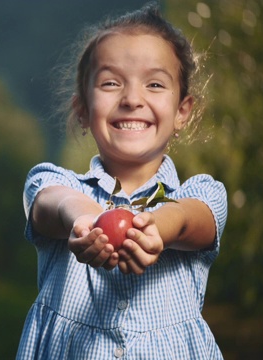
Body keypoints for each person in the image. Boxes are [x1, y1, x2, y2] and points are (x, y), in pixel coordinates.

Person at [16, 2, 228, 359]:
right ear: (82, 109)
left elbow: (193, 218)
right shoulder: (53, 181)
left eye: (155, 84)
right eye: (111, 83)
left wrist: (158, 226)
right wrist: (87, 221)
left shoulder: (201, 193)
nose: (132, 99)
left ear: (182, 112)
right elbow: (52, 204)